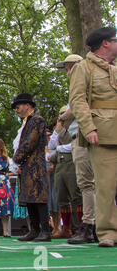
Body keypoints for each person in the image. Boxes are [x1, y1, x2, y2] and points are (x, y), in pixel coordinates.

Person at [69, 26, 117, 247]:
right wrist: (88, 128)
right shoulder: (84, 67)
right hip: (103, 132)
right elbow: (77, 100)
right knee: (105, 186)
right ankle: (108, 233)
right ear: (105, 43)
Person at [56, 54, 98, 244]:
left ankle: (90, 226)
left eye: (67, 67)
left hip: (84, 135)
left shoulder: (83, 80)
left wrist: (62, 118)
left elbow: (76, 105)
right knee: (93, 184)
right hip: (82, 135)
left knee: (87, 184)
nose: (67, 72)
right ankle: (99, 226)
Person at [11, 93, 51, 242]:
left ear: (28, 105)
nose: (16, 109)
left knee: (39, 198)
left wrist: (15, 160)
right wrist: (18, 163)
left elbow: (29, 143)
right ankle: (34, 230)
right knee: (29, 198)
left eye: (18, 106)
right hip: (27, 164)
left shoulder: (37, 120)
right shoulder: (26, 122)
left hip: (35, 164)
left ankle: (45, 231)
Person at [48, 106, 82, 238]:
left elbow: (73, 145)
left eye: (63, 115)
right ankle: (66, 228)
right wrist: (56, 131)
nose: (61, 118)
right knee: (61, 198)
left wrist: (59, 148)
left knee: (76, 197)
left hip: (71, 164)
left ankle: (80, 227)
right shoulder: (60, 131)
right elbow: (51, 146)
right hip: (59, 166)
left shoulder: (76, 127)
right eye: (60, 116)